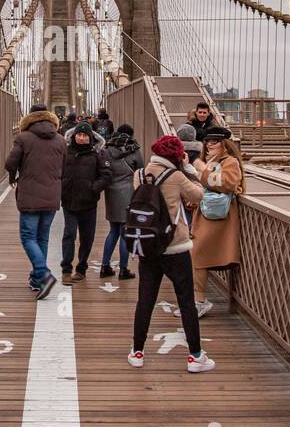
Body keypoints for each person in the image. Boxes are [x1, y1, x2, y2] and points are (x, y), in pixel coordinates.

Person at [128, 135, 215, 372]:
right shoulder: (176, 176)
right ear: (177, 155)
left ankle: (137, 352)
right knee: (186, 302)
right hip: (175, 247)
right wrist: (188, 167)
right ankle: (195, 356)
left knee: (145, 300)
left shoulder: (139, 174)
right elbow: (200, 195)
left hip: (147, 247)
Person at [5, 102, 66, 299]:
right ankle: (36, 279)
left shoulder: (23, 138)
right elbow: (64, 166)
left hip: (30, 195)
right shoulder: (60, 140)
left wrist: (13, 176)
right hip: (52, 195)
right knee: (42, 237)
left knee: (28, 237)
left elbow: (10, 163)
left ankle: (43, 273)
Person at [189, 126, 246, 318]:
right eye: (208, 141)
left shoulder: (229, 161)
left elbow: (228, 183)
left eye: (215, 141)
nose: (210, 144)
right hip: (205, 214)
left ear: (225, 144)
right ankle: (197, 300)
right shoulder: (209, 161)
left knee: (198, 255)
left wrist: (201, 170)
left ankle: (199, 302)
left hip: (218, 218)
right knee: (197, 256)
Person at [60, 122, 111, 283]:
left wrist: (93, 189)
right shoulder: (65, 152)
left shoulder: (98, 153)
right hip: (69, 200)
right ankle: (66, 270)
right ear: (74, 136)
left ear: (90, 137)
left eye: (84, 136)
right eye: (79, 135)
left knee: (87, 237)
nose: (81, 138)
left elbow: (106, 176)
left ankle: (81, 268)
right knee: (69, 234)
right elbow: (56, 170)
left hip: (88, 202)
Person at [100, 123, 143, 279]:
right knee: (125, 233)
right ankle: (123, 270)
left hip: (111, 194)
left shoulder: (106, 150)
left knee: (113, 231)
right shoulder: (134, 149)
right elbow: (141, 170)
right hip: (128, 193)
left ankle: (105, 267)